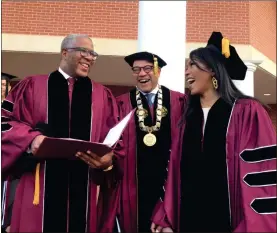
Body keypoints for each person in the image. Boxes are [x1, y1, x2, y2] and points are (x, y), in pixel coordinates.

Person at [151, 31, 276, 232]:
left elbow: (263, 173)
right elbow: (173, 171)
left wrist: (253, 225)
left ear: (212, 70)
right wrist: (166, 218)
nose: (186, 72)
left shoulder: (246, 112)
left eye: (192, 65)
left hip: (232, 224)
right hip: (189, 220)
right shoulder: (187, 120)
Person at [1, 34, 125, 232]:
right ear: (65, 52)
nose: (90, 57)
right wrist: (30, 139)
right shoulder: (32, 86)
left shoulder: (103, 96)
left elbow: (116, 140)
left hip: (85, 190)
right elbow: (4, 121)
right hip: (39, 189)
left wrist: (109, 161)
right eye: (84, 51)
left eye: (93, 54)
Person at [116, 51, 186, 232]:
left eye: (147, 68)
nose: (141, 74)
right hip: (133, 185)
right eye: (136, 69)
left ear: (158, 71)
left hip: (170, 183)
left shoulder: (179, 101)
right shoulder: (120, 103)